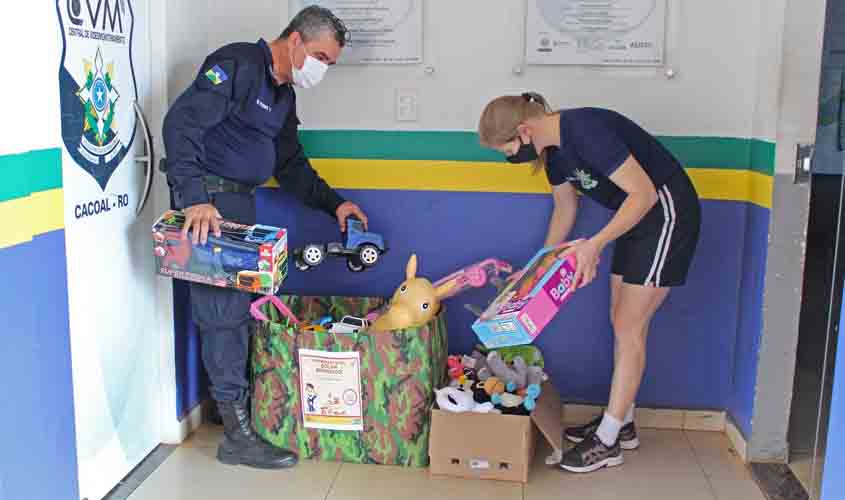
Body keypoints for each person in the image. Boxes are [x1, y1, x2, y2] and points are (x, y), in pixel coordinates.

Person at [162, 6, 369, 470]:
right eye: (320, 56)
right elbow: (181, 126)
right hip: (208, 209)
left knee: (238, 315)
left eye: (330, 63)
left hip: (239, 207)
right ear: (294, 41)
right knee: (222, 317)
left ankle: (235, 416)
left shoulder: (282, 96)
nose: (322, 69)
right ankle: (237, 436)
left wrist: (335, 203)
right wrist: (194, 197)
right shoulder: (236, 65)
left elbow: (291, 165)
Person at [478, 92, 701, 473]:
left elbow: (644, 193)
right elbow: (566, 208)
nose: (510, 157)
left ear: (524, 131)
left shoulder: (586, 129)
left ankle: (608, 441)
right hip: (635, 221)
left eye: (508, 149)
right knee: (619, 319)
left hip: (666, 215)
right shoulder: (554, 152)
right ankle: (623, 422)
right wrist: (537, 268)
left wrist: (595, 245)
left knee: (630, 326)